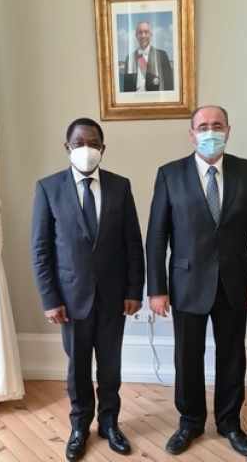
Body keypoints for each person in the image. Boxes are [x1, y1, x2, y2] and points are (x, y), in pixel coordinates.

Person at [145, 105, 247, 457]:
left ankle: (229, 423)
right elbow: (156, 236)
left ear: (228, 131)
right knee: (187, 357)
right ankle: (190, 422)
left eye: (217, 125)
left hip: (235, 283)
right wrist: (157, 289)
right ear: (192, 134)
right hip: (186, 284)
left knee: (231, 356)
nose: (210, 131)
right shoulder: (169, 174)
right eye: (203, 126)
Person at [30, 117, 145, 461]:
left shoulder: (120, 186)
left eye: (93, 143)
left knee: (110, 367)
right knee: (78, 367)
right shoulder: (48, 188)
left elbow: (133, 244)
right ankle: (80, 426)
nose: (86, 149)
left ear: (103, 148)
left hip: (113, 297)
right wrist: (50, 298)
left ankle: (109, 423)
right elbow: (41, 249)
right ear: (67, 147)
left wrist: (134, 290)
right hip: (70, 299)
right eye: (79, 143)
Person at [123, 21, 174, 92]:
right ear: (136, 35)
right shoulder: (129, 58)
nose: (143, 35)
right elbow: (126, 88)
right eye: (140, 32)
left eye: (146, 32)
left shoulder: (162, 55)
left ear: (151, 35)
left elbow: (169, 86)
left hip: (156, 98)